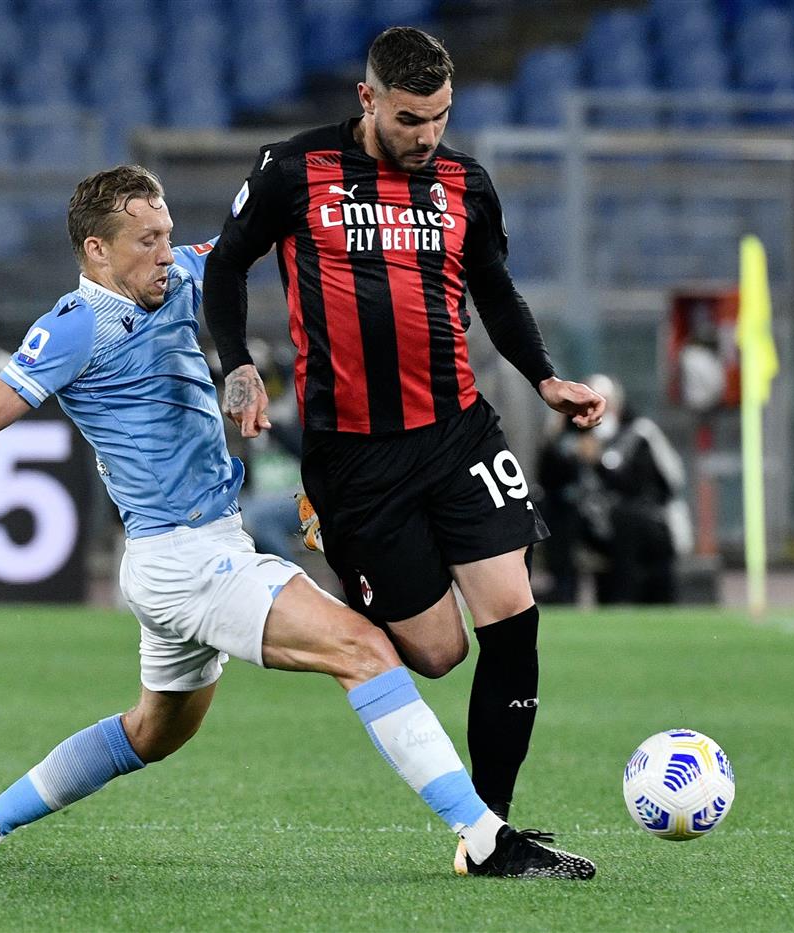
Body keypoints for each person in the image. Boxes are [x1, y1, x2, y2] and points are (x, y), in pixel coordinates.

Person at [0, 165, 594, 880]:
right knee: (365, 649)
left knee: (152, 731)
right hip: (183, 560)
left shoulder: (182, 278)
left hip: (199, 551)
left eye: (169, 234)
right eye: (146, 241)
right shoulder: (76, 325)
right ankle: (484, 836)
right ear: (96, 251)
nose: (166, 253)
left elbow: (262, 240)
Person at [201, 26, 605, 877]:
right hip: (354, 459)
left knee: (513, 621)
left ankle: (490, 831)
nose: (428, 136)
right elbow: (226, 266)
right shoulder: (292, 170)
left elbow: (494, 288)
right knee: (436, 653)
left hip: (459, 429)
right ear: (368, 100)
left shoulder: (465, 182)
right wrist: (236, 361)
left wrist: (545, 379)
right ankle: (330, 554)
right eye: (413, 118)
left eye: (442, 117)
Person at [538, 376, 691, 604]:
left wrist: (599, 462)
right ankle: (563, 591)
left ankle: (623, 598)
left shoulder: (639, 435)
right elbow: (547, 480)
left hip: (646, 522)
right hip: (595, 524)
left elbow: (645, 489)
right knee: (554, 510)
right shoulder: (572, 439)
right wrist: (557, 438)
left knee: (626, 517)